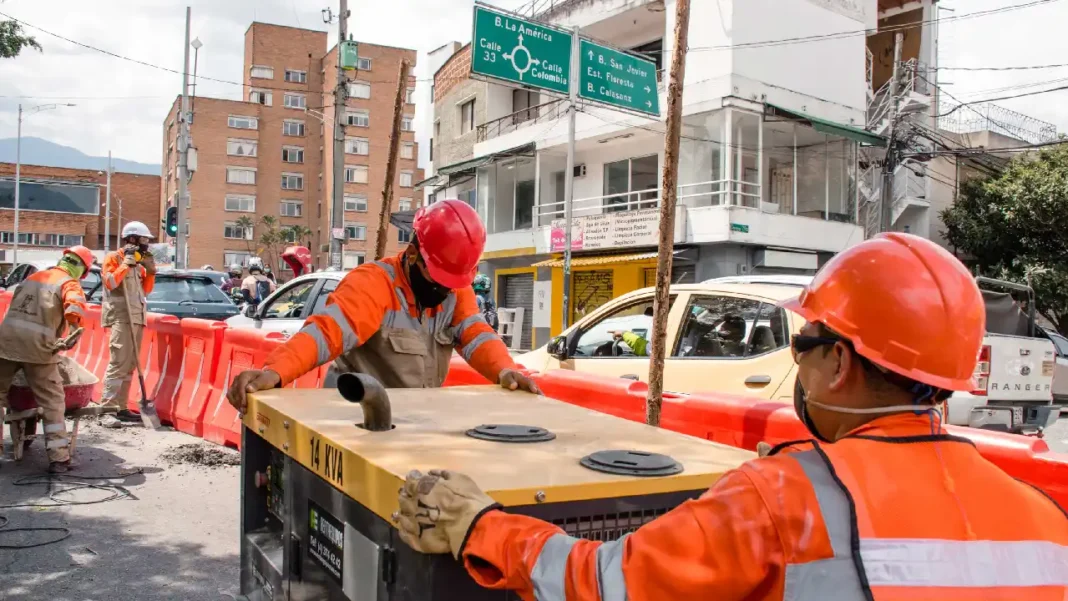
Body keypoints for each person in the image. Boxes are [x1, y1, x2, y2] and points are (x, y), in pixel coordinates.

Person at [394, 232, 1068, 600]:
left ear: (838, 362)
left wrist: (479, 523)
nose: (796, 364)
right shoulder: (1044, 521)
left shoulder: (783, 499)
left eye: (802, 344)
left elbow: (603, 582)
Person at [227, 200, 540, 411]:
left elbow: (476, 334)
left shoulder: (455, 290)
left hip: (413, 420)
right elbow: (326, 333)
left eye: (452, 283)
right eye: (439, 279)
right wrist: (275, 373)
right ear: (413, 255)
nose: (445, 290)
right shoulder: (374, 285)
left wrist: (506, 370)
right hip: (354, 418)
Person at [0, 247, 90, 472]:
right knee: (52, 402)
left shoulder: (33, 278)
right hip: (38, 350)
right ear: (81, 268)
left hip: (5, 344)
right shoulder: (69, 283)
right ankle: (59, 458)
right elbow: (74, 307)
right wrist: (76, 326)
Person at [99, 221, 157, 428]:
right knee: (118, 363)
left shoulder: (138, 264)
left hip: (136, 317)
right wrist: (126, 264)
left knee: (130, 364)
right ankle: (107, 408)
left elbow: (145, 291)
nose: (146, 244)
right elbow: (110, 283)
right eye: (144, 240)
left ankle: (121, 407)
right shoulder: (114, 258)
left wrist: (150, 272)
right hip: (120, 317)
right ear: (132, 239)